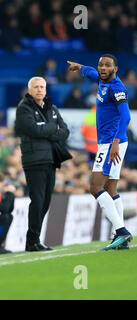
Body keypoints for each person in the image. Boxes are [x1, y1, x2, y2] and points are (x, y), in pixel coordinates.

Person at [67, 55, 133, 250]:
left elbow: (126, 116)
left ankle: (121, 231)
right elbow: (92, 73)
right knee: (111, 189)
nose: (103, 68)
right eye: (101, 65)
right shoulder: (102, 79)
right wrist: (80, 66)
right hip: (112, 142)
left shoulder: (117, 88)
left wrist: (115, 141)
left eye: (107, 65)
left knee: (95, 187)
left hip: (111, 143)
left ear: (116, 69)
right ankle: (120, 238)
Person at [15, 76, 70, 252]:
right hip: (34, 161)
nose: (39, 90)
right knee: (37, 201)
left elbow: (65, 131)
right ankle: (32, 241)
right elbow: (34, 130)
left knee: (45, 202)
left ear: (46, 90)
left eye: (42, 87)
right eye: (36, 87)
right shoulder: (24, 108)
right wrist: (52, 128)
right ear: (29, 90)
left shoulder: (51, 108)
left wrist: (48, 129)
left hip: (51, 160)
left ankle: (34, 239)